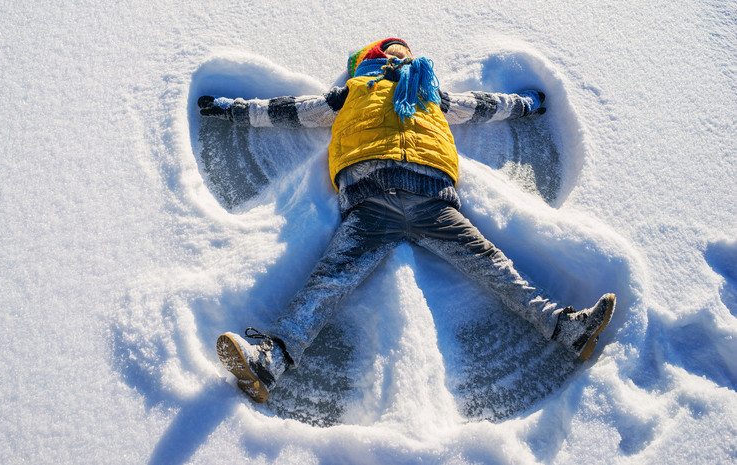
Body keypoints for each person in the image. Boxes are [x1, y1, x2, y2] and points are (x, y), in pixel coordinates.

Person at [199, 38, 615, 403]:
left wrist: (523, 104)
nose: (399, 51)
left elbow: (481, 105)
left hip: (433, 199)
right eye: (388, 48)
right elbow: (289, 110)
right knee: (330, 280)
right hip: (370, 201)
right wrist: (235, 110)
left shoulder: (429, 90)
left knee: (493, 266)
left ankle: (566, 328)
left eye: (403, 48)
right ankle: (268, 361)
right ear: (371, 59)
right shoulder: (352, 91)